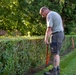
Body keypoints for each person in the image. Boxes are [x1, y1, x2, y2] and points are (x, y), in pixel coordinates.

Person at [39, 7, 64, 75]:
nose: (43, 16)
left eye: (42, 14)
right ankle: (56, 70)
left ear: (44, 11)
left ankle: (54, 72)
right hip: (60, 34)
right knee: (57, 53)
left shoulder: (49, 15)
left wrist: (46, 39)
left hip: (56, 35)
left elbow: (49, 29)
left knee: (55, 54)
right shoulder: (55, 13)